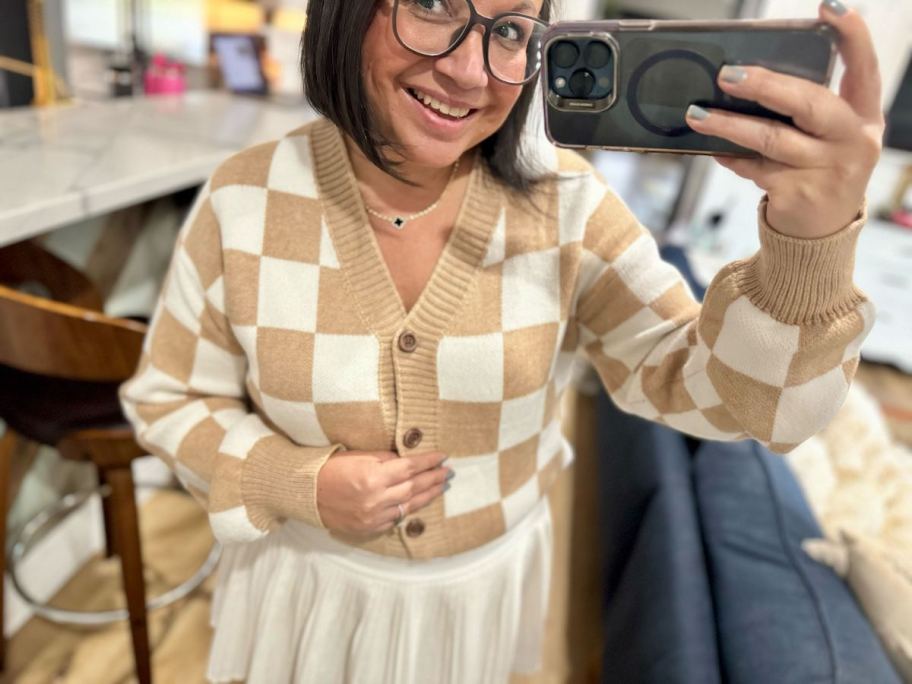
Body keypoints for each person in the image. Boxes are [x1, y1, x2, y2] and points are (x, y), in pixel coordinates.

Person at [119, 0, 884, 681]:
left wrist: (807, 245)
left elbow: (749, 407)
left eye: (511, 30)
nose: (466, 70)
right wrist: (297, 482)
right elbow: (168, 399)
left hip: (477, 601)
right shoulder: (244, 198)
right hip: (303, 591)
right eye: (430, 4)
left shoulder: (569, 207)